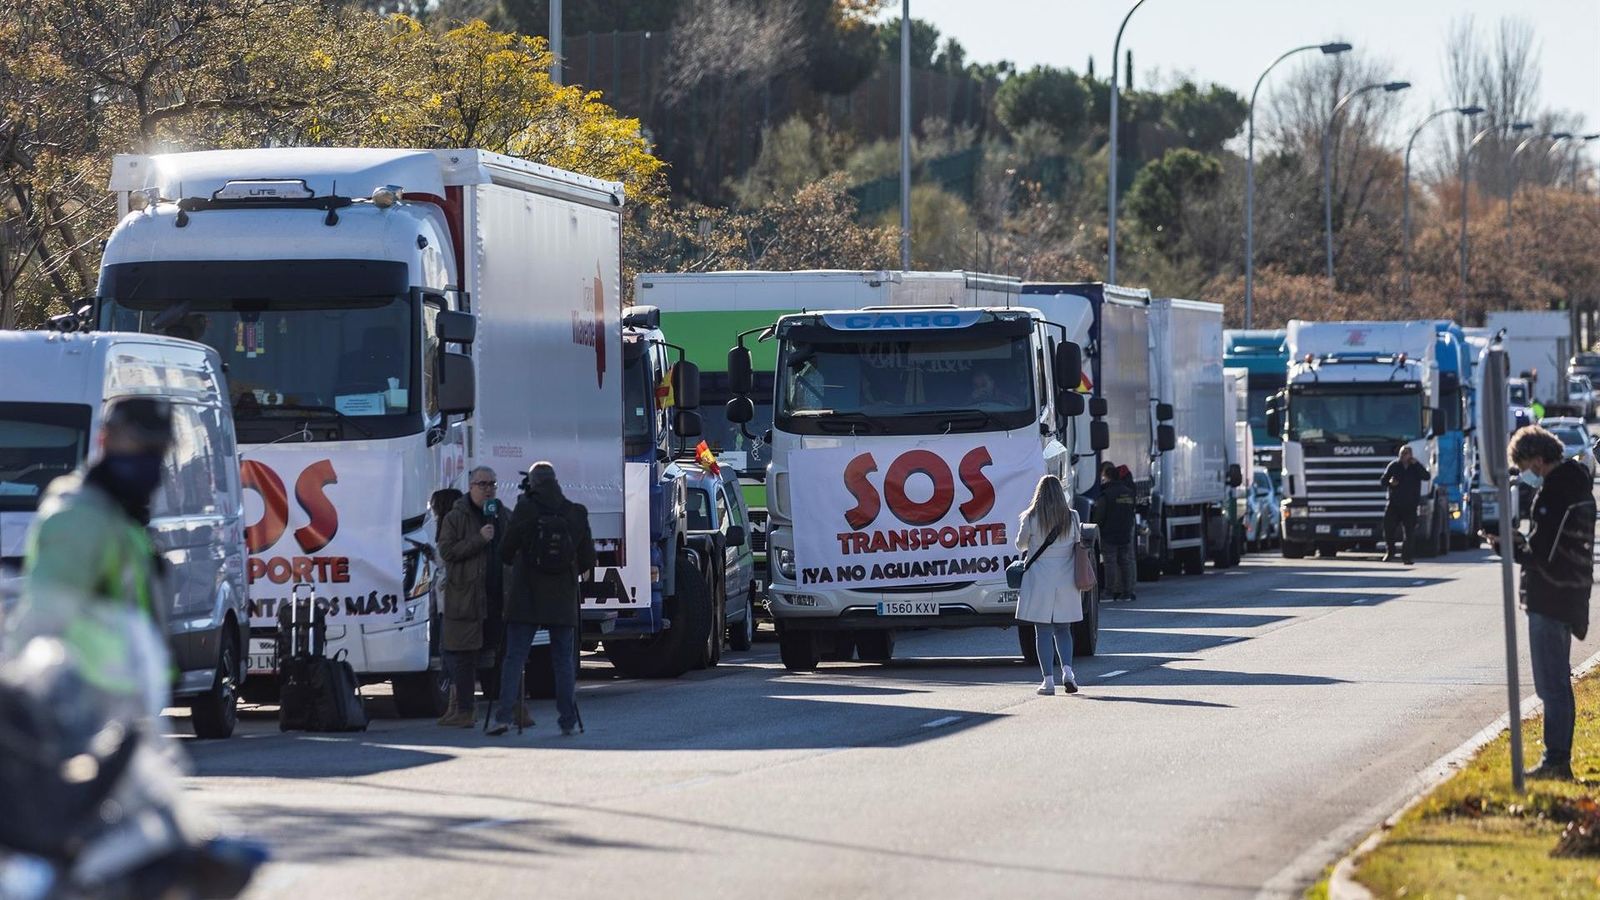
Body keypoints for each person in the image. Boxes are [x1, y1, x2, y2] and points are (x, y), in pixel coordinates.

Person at [19, 398, 174, 702]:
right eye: (140, 444)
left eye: (159, 448)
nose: (151, 457)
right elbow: (42, 623)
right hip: (79, 710)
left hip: (118, 712)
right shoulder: (80, 517)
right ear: (106, 438)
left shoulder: (121, 518)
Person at [1490, 426, 1594, 780]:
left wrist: (1509, 545)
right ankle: (1557, 757)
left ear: (1537, 459)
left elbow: (1542, 554)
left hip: (1551, 597)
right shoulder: (1576, 484)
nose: (1524, 476)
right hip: (1569, 594)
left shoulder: (1556, 491)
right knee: (1557, 681)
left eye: (1523, 467)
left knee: (1551, 684)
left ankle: (1556, 761)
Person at [493, 462, 595, 736]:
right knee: (562, 660)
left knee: (514, 657)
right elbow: (588, 559)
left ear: (533, 482)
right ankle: (567, 720)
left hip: (525, 597)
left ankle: (503, 716)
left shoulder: (525, 509)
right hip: (562, 599)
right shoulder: (576, 513)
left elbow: (505, 551)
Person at [434, 468, 511, 728]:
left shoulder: (502, 514)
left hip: (497, 598)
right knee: (463, 657)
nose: (488, 489)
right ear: (471, 486)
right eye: (482, 484)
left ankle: (512, 707)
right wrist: (479, 539)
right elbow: (447, 550)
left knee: (505, 654)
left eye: (492, 484)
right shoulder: (456, 517)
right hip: (466, 598)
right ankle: (465, 710)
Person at [1014, 474, 1083, 696]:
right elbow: (1077, 542)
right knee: (1064, 629)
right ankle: (1068, 672)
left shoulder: (1031, 517)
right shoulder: (1072, 517)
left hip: (1039, 580)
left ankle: (1048, 681)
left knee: (1042, 631)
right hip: (1066, 581)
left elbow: (1020, 544)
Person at [1093, 463, 1138, 602]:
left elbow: (1099, 517)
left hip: (1109, 534)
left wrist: (1096, 529)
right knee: (1126, 563)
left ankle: (1109, 592)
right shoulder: (1128, 492)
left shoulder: (1106, 494)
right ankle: (1128, 592)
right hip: (1125, 532)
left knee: (1110, 564)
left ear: (1107, 477)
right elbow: (1131, 512)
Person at [1379, 446, 1430, 564]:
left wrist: (1417, 464)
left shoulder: (1415, 467)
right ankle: (1390, 551)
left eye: (1406, 453)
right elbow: (1383, 481)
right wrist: (1390, 483)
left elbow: (1426, 476)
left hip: (1410, 505)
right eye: (1402, 453)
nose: (1403, 456)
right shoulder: (1393, 466)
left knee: (1409, 533)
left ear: (1410, 455)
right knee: (1388, 528)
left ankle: (1407, 557)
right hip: (1394, 504)